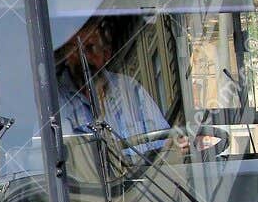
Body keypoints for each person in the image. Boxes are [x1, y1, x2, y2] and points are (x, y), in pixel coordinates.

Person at [56, 16, 173, 146]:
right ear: (67, 55)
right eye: (76, 50)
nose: (85, 58)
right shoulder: (54, 103)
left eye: (90, 48)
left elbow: (165, 145)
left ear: (106, 52)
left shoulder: (129, 89)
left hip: (143, 167)